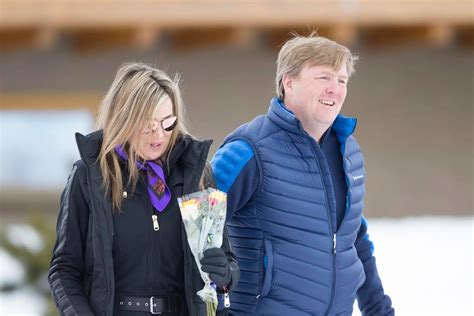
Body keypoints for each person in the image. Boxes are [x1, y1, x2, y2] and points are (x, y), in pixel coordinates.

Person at [211, 34, 394, 315]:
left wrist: (379, 310)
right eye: (323, 77)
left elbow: (353, 240)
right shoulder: (249, 150)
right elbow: (196, 229)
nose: (335, 89)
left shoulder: (349, 153)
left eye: (342, 80)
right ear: (289, 82)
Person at [48, 62, 239, 316]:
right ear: (125, 119)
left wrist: (225, 275)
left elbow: (226, 264)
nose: (158, 134)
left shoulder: (197, 176)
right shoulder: (89, 176)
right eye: (148, 124)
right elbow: (64, 270)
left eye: (167, 122)